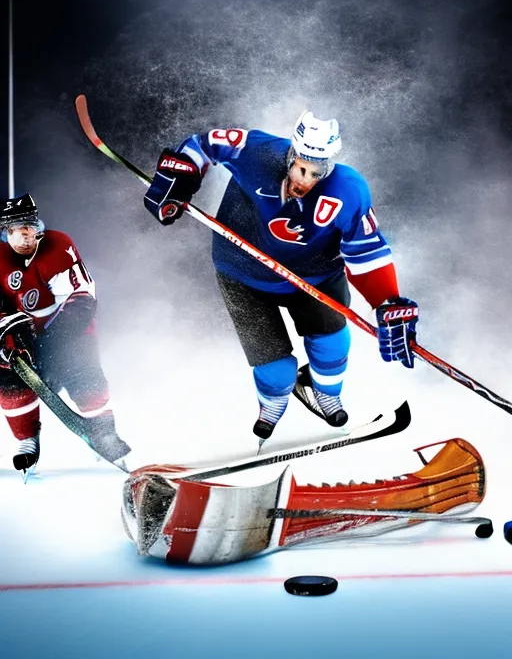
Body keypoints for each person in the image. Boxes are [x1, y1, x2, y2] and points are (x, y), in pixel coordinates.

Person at [143, 111, 419, 440]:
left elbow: (366, 252)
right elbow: (203, 146)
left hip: (316, 278)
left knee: (332, 346)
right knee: (275, 369)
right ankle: (272, 403)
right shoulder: (259, 152)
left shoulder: (349, 191)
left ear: (329, 166)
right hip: (242, 273)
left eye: (316, 172)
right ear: (291, 153)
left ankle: (324, 394)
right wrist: (183, 173)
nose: (304, 179)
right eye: (300, 167)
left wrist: (386, 302)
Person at [0, 194, 131, 472]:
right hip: (23, 338)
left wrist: (54, 342)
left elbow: (83, 299)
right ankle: (27, 441)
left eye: (28, 228)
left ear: (37, 227)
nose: (24, 236)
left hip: (66, 333)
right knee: (9, 381)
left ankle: (104, 433)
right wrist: (6, 337)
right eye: (15, 230)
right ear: (5, 232)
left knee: (84, 373)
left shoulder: (57, 246)